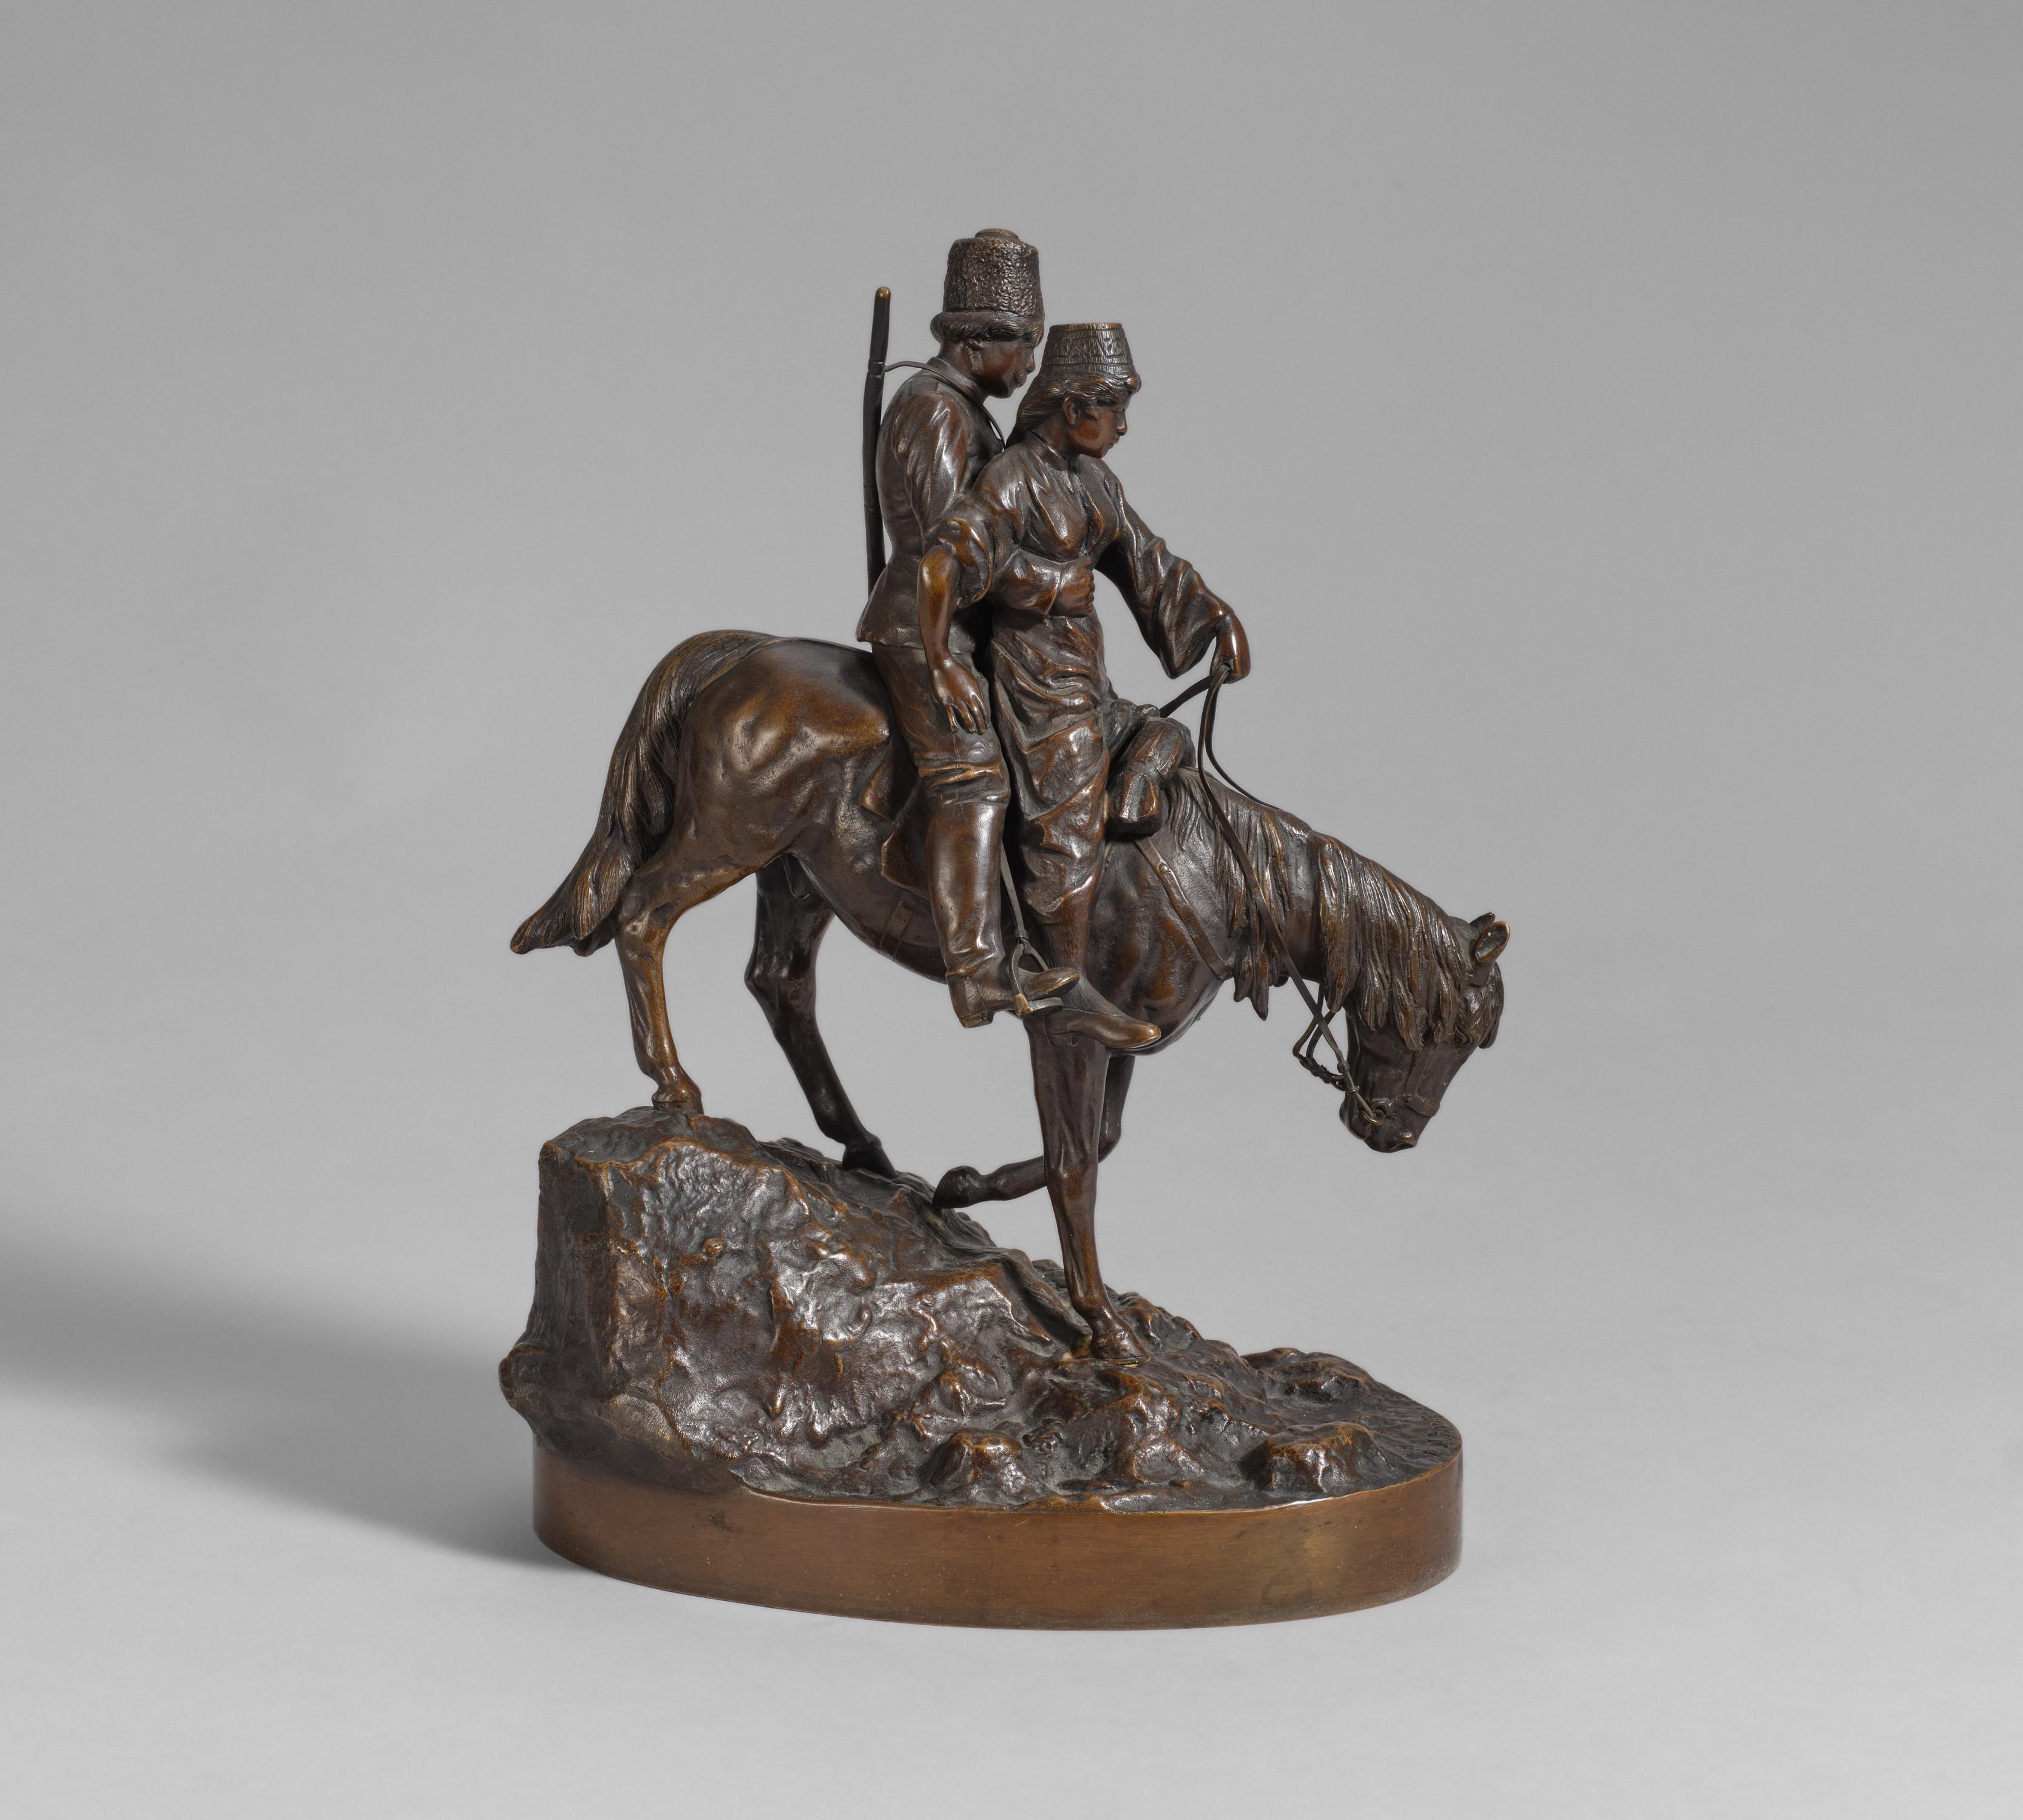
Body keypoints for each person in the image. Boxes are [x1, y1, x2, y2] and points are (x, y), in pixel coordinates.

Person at [916, 323, 1251, 1052]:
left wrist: (1216, 618)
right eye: (1113, 410)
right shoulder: (1013, 477)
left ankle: (1127, 791)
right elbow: (944, 559)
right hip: (1034, 682)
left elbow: (1150, 560)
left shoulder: (1096, 483)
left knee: (1165, 736)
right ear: (1071, 407)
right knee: (1064, 820)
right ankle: (1060, 980)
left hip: (1083, 675)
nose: (1122, 427)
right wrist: (942, 659)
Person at [856, 229, 1078, 1028]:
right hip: (929, 631)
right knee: (972, 778)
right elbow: (954, 553)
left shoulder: (965, 411)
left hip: (964, 628)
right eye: (1023, 345)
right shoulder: (932, 412)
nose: (1029, 366)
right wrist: (1052, 585)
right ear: (972, 339)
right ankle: (976, 972)